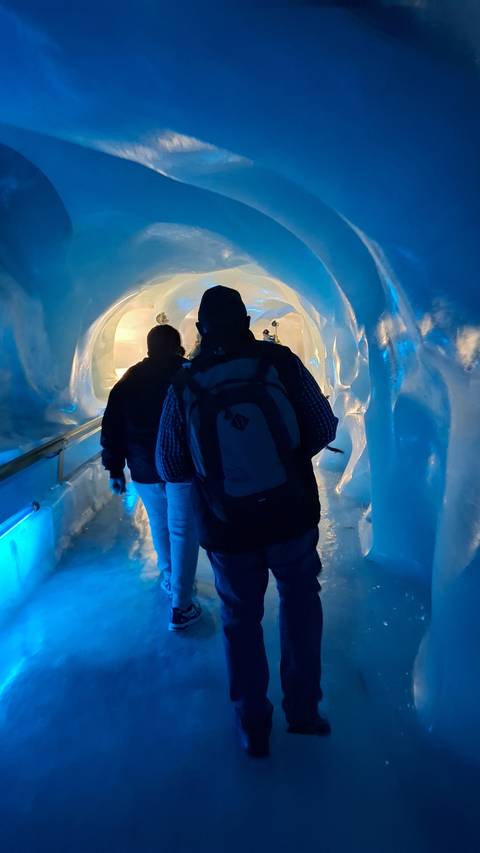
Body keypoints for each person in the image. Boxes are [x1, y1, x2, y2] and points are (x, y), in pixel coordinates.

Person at [156, 286, 338, 756]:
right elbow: (324, 425)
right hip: (290, 513)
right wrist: (285, 463)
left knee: (240, 618)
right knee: (300, 604)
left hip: (227, 525)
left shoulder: (185, 383)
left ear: (201, 329)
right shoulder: (280, 363)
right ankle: (304, 712)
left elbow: (170, 464)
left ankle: (252, 726)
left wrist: (222, 476)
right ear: (246, 321)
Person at [101, 324, 201, 632]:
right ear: (176, 345)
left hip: (144, 468)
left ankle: (171, 578)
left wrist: (115, 468)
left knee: (160, 525)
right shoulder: (189, 373)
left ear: (148, 347)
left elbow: (113, 427)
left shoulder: (129, 379)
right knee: (183, 530)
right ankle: (181, 603)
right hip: (182, 467)